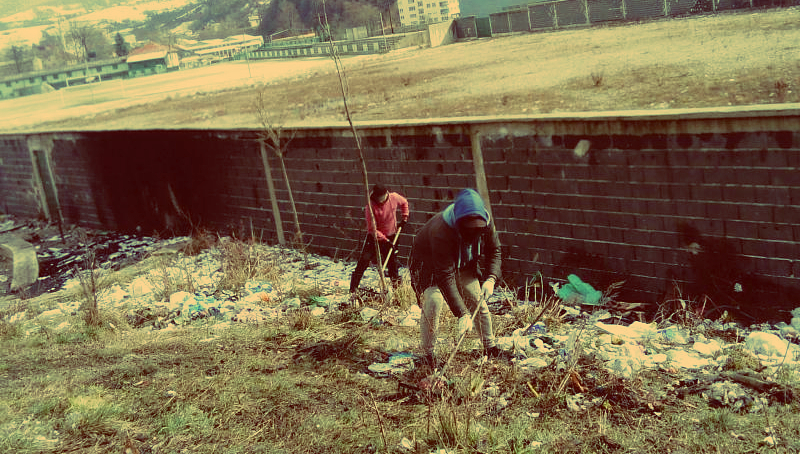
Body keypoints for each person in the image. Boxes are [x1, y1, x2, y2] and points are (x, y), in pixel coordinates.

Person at [410, 188, 510, 362]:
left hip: (463, 262)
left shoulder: (486, 223)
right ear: (458, 223)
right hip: (430, 266)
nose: (473, 233)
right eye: (468, 230)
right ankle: (427, 355)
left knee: (477, 299)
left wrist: (491, 279)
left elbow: (495, 250)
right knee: (434, 301)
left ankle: (490, 346)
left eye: (477, 230)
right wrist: (462, 313)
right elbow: (445, 276)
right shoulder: (441, 231)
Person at [349, 184, 409, 293]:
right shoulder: (370, 206)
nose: (382, 201)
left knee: (392, 265)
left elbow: (404, 202)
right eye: (379, 199)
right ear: (375, 197)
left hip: (392, 236)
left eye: (383, 198)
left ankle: (398, 293)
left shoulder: (394, 197)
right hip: (374, 238)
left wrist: (404, 218)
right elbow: (372, 229)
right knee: (363, 262)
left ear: (386, 194)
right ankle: (353, 289)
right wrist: (385, 240)